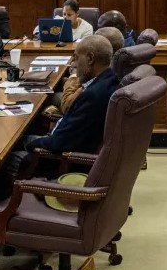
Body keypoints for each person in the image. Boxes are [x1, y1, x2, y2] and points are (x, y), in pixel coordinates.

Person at [8, 35, 119, 177]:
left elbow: (60, 142)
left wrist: (32, 145)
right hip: (63, 141)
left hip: (60, 162)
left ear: (90, 59)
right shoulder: (109, 79)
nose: (73, 64)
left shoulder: (94, 95)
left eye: (76, 58)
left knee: (5, 159)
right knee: (15, 141)